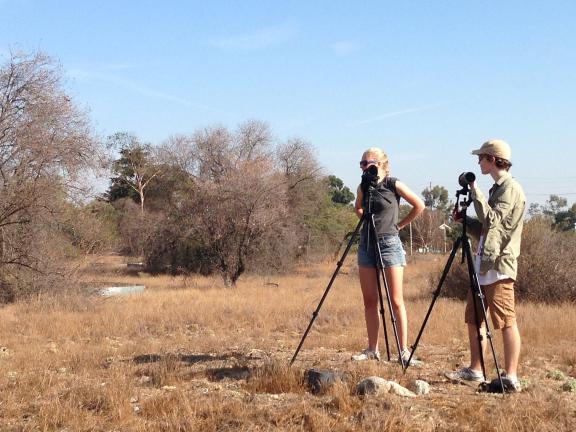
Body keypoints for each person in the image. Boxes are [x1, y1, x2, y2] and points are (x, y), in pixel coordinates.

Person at [446, 139, 526, 392]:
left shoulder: (510, 190)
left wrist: (474, 189)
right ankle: (476, 369)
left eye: (481, 158)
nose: (478, 162)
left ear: (492, 160)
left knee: (505, 321)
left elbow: (493, 219)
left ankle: (511, 376)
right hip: (483, 265)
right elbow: (486, 230)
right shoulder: (495, 190)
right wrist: (465, 221)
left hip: (499, 267)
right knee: (474, 318)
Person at [352, 147, 424, 363]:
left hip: (388, 243)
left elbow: (419, 205)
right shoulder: (363, 186)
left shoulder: (393, 183)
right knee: (370, 300)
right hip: (366, 243)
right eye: (362, 163)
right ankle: (372, 349)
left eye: (368, 163)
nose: (364, 167)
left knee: (395, 300)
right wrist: (364, 217)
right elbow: (357, 207)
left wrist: (399, 225)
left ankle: (403, 351)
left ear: (381, 163)